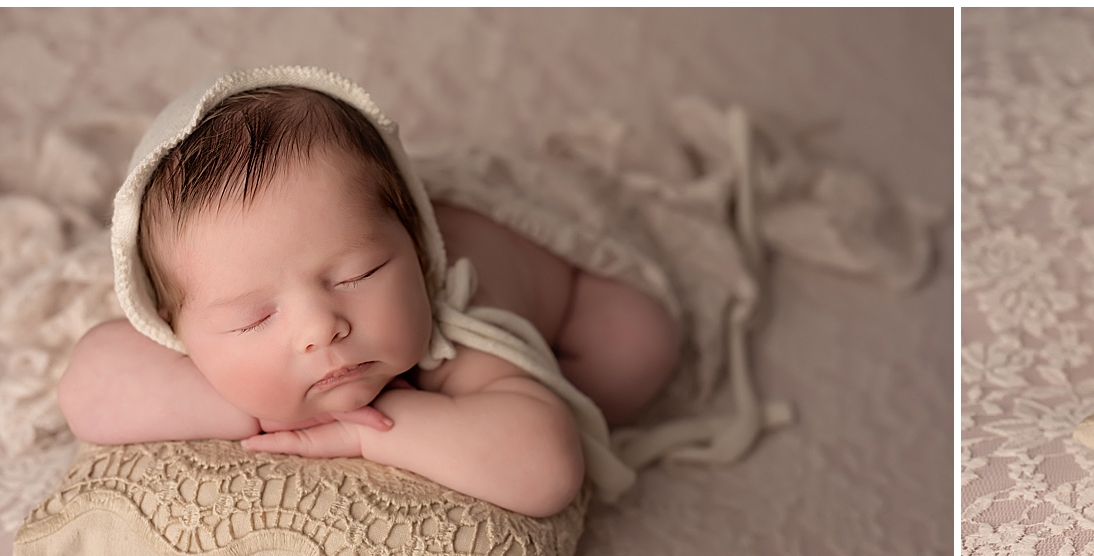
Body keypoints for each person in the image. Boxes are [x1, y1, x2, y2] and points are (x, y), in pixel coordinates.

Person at [57, 74, 680, 518]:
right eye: (255, 318)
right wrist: (252, 405)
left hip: (545, 269)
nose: (320, 328)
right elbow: (88, 386)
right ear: (174, 329)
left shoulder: (452, 334)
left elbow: (545, 469)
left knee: (637, 343)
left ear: (412, 245)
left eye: (357, 275)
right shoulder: (211, 287)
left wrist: (374, 430)